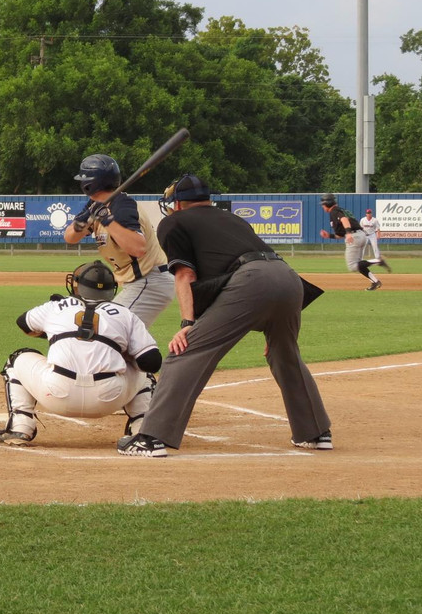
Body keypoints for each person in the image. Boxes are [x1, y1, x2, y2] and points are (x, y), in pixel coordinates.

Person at [118, 173, 332, 458]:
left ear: (177, 204)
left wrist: (187, 325)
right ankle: (316, 433)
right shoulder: (233, 219)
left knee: (185, 353)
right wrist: (278, 331)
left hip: (252, 281)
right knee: (285, 355)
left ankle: (151, 438)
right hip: (290, 279)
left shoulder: (173, 222)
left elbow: (185, 274)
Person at [0, 260, 162, 446]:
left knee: (16, 359)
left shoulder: (57, 306)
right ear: (111, 290)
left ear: (77, 286)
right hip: (109, 398)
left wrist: (61, 334)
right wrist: (120, 350)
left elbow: (23, 323)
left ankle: (20, 426)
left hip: (56, 394)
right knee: (142, 370)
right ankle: (141, 428)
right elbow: (152, 362)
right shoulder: (125, 314)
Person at [64, 154, 175, 327]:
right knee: (114, 336)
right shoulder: (95, 205)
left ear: (89, 184)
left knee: (107, 329)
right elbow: (70, 238)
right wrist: (81, 223)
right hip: (139, 283)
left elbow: (138, 248)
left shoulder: (122, 207)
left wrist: (107, 220)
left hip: (150, 281)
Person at [319, 193, 389, 290]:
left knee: (352, 266)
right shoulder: (341, 210)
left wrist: (348, 233)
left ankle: (378, 260)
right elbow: (340, 234)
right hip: (361, 235)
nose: (322, 206)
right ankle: (375, 282)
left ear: (327, 203)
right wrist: (329, 236)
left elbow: (344, 220)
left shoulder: (334, 211)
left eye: (323, 204)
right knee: (359, 265)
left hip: (354, 236)